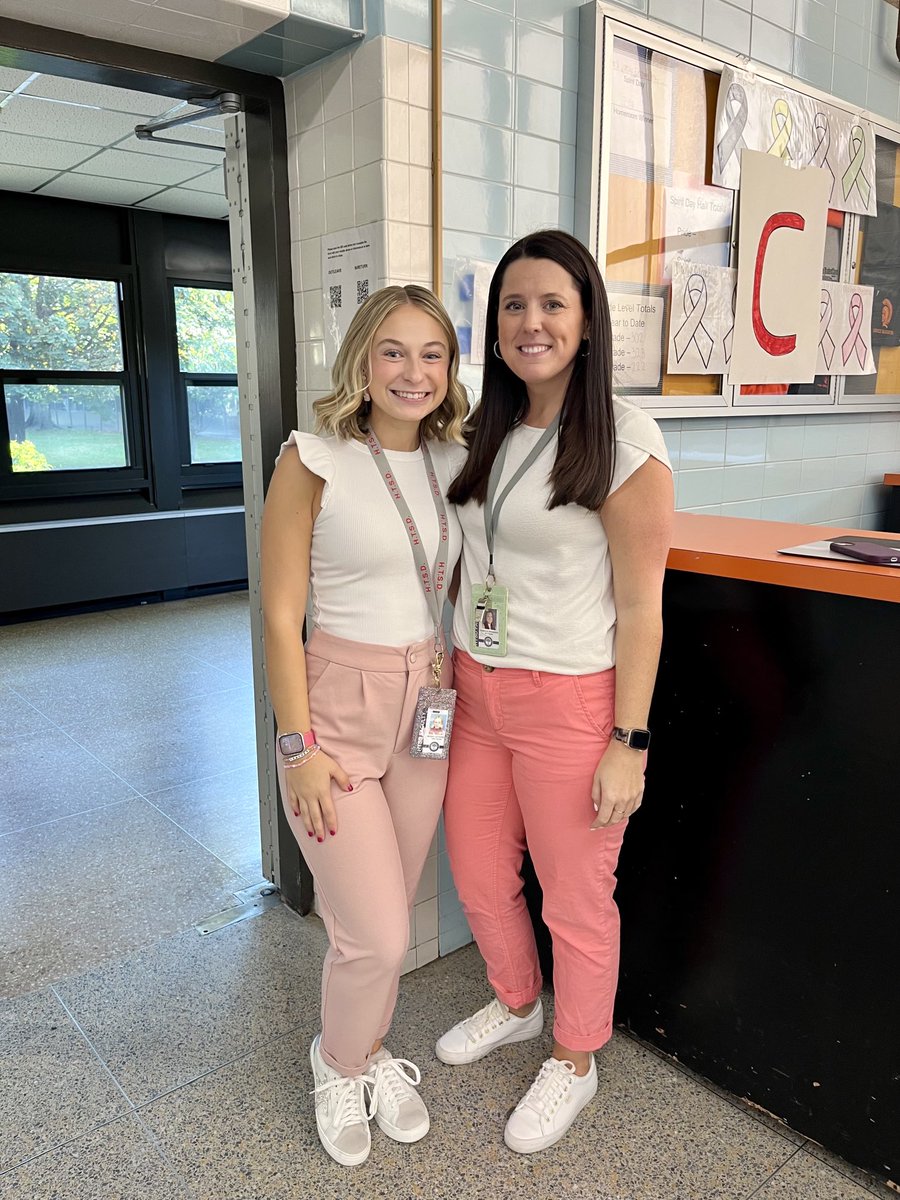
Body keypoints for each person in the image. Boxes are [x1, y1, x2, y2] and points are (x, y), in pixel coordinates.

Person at [436, 230, 674, 1153]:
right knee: (480, 870)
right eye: (512, 306)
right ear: (493, 327)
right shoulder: (484, 429)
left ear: (586, 323)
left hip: (571, 699)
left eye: (552, 304)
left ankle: (575, 1057)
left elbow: (643, 612)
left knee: (575, 896)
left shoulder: (624, 442)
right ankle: (517, 1001)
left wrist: (630, 740)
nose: (530, 322)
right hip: (477, 688)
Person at [260, 285, 468, 1167]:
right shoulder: (313, 459)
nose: (412, 372)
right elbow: (278, 617)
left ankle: (372, 1049)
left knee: (389, 912)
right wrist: (296, 746)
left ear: (450, 370)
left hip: (427, 703)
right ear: (361, 360)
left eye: (431, 354)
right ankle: (338, 1061)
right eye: (393, 351)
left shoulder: (456, 461)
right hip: (338, 710)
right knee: (377, 932)